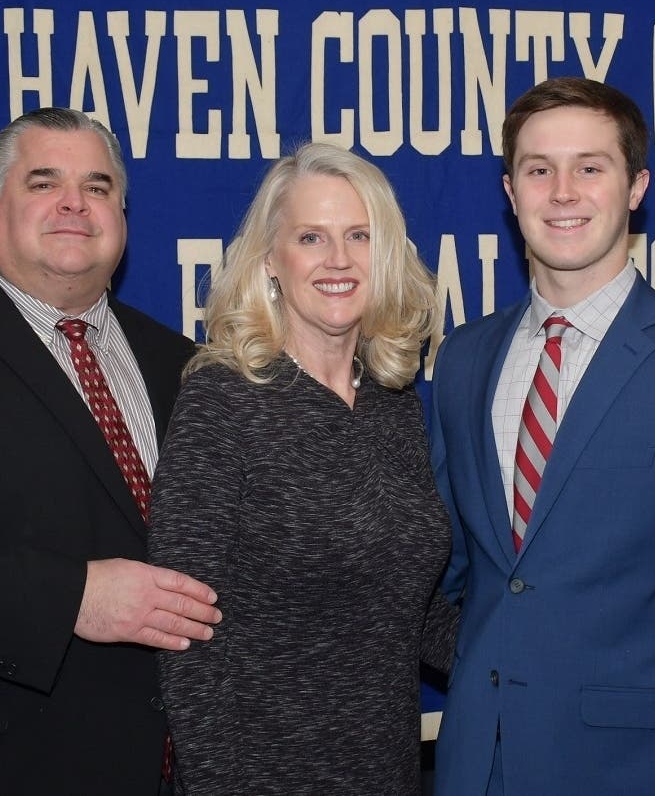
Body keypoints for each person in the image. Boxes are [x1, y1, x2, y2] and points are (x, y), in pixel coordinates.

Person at [429, 76, 655, 795]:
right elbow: (451, 570)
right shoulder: (463, 359)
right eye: (538, 169)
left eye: (590, 167)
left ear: (635, 187)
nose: (562, 191)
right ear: (509, 190)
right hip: (477, 764)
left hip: (632, 772)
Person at [0, 107, 222, 794]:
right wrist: (70, 597)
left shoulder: (183, 364)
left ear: (121, 212)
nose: (73, 205)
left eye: (97, 186)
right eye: (43, 182)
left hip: (177, 766)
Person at [148, 142, 458, 794]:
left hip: (387, 772)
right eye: (311, 237)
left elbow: (408, 607)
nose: (339, 259)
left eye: (358, 236)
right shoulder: (221, 399)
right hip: (256, 778)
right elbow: (184, 633)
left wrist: (533, 661)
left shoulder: (392, 404)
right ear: (270, 258)